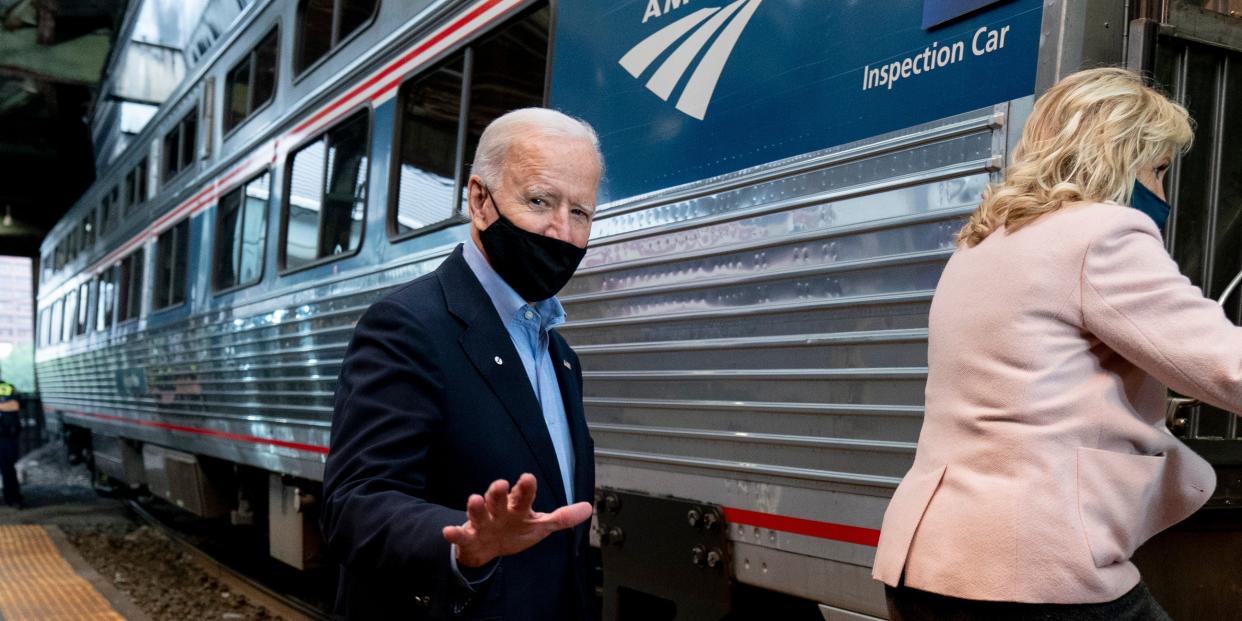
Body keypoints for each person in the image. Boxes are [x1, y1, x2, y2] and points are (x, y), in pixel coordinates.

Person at [872, 67, 1242, 620]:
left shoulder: (982, 243)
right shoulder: (1103, 233)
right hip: (1028, 574)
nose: (1163, 192)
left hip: (927, 565)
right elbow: (1227, 366)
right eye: (1159, 169)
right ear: (1119, 156)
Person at [321, 108, 602, 620]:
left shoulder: (561, 357)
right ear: (479, 201)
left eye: (580, 212)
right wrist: (463, 544)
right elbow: (355, 504)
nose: (562, 231)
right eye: (540, 201)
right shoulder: (407, 325)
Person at [0, 379, 22, 509]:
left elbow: (15, 405)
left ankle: (12, 498)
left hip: (5, 436)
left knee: (8, 468)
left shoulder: (6, 387)